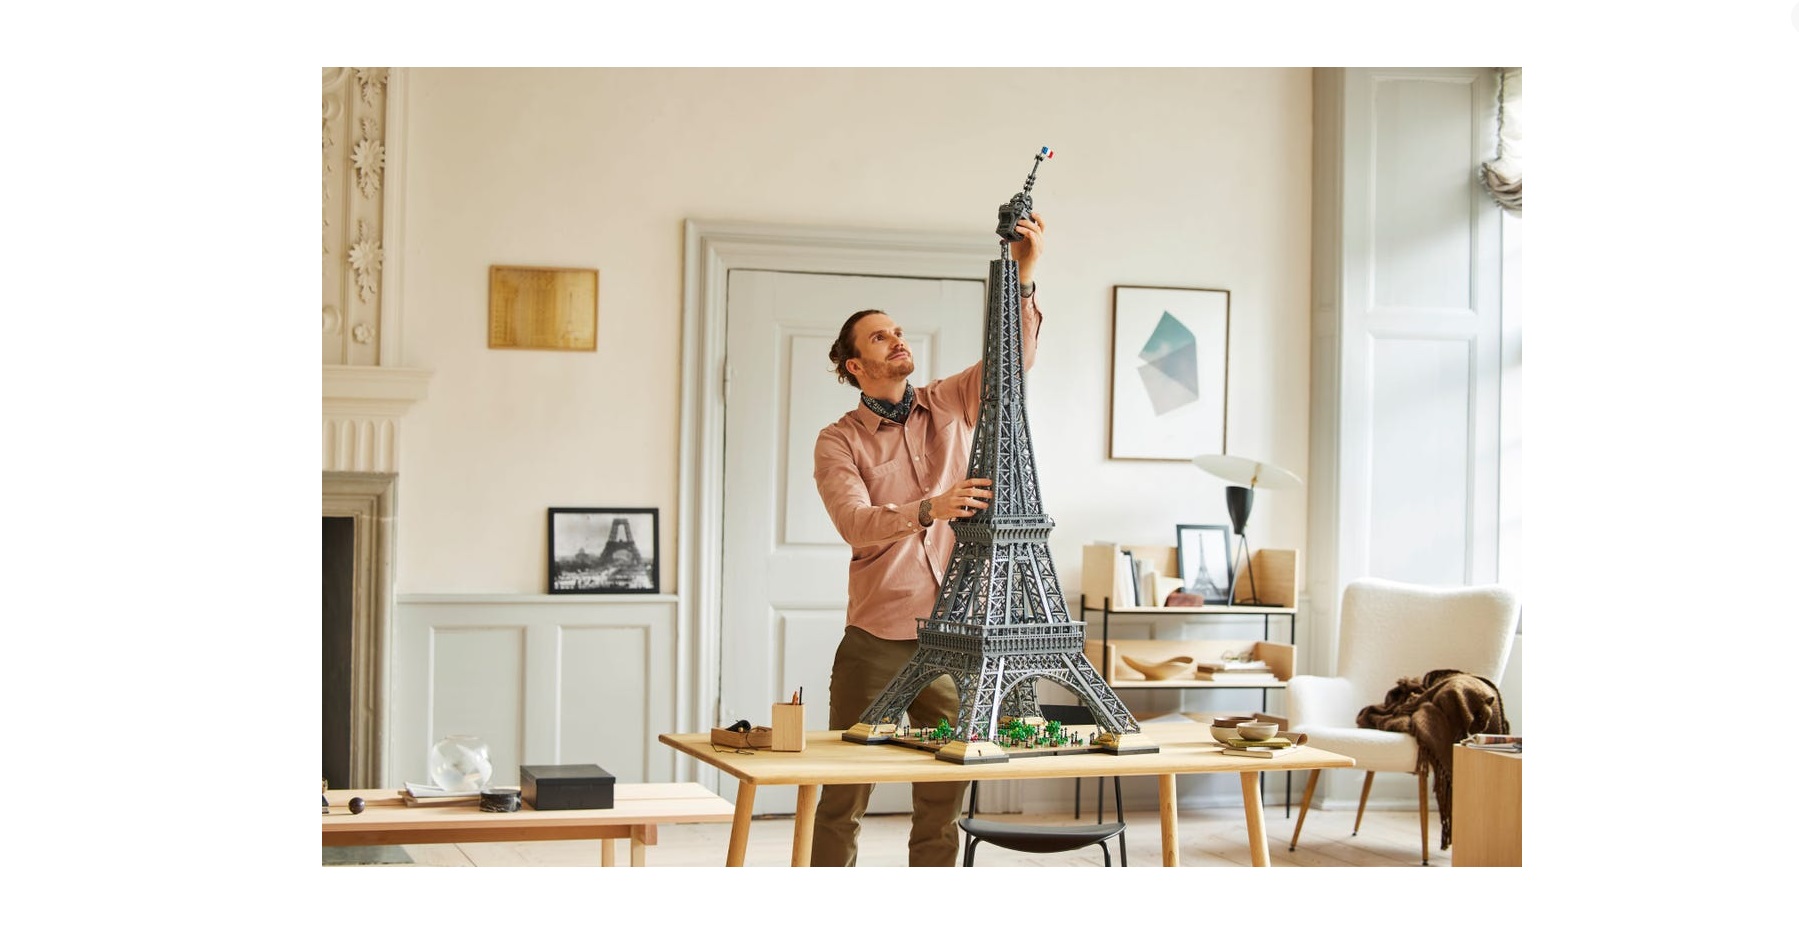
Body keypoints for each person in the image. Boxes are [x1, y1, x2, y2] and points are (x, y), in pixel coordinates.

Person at [809, 212, 1047, 866]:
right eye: (879, 336)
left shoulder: (948, 400)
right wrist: (928, 508)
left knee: (943, 794)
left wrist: (1023, 275)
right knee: (843, 790)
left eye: (898, 331)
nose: (896, 341)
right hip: (876, 638)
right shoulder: (838, 441)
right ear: (855, 364)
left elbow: (1013, 362)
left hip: (953, 633)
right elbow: (854, 523)